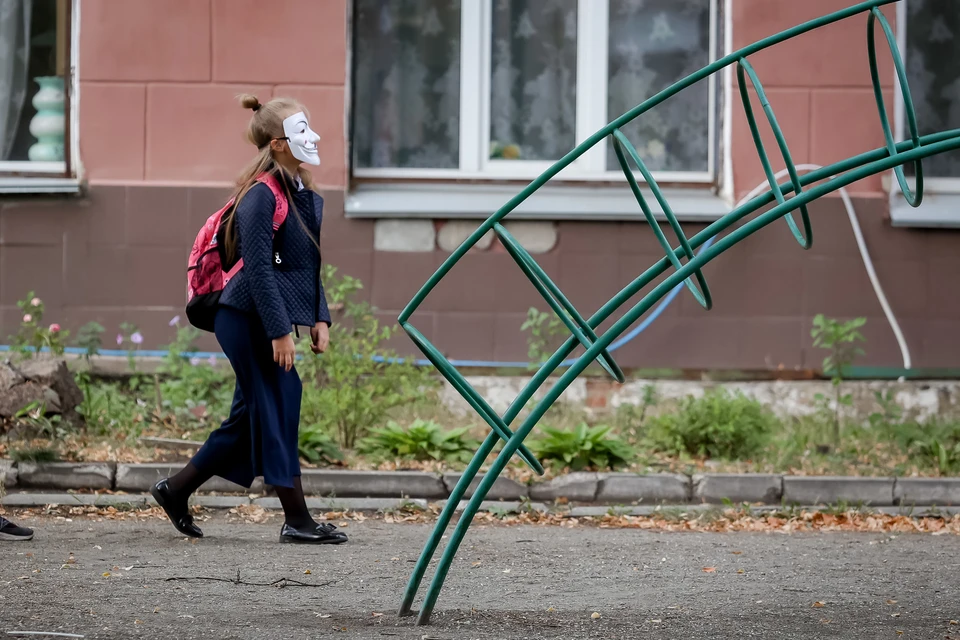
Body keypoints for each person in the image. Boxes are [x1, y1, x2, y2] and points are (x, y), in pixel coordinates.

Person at [152, 95, 346, 545]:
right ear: (278, 145)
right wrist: (281, 332)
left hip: (265, 316)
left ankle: (175, 489)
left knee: (249, 417)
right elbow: (259, 269)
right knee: (280, 401)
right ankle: (297, 520)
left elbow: (305, 265)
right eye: (301, 132)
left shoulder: (301, 196)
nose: (312, 138)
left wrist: (320, 318)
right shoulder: (261, 196)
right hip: (243, 317)